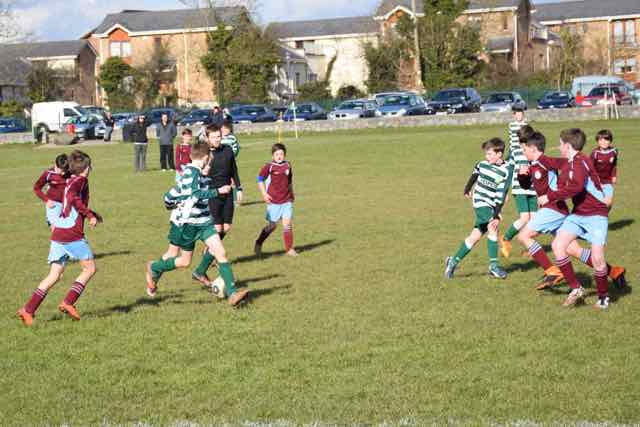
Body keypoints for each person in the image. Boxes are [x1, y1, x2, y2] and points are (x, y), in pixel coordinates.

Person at [516, 131, 626, 290]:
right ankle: (614, 271)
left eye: (524, 149)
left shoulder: (546, 161)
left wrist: (570, 180)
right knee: (573, 249)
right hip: (555, 210)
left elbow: (568, 163)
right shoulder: (533, 165)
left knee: (524, 235)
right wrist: (522, 176)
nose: (523, 152)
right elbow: (526, 185)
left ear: (533, 149)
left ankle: (552, 271)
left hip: (554, 208)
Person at [145, 142, 249, 307]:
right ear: (206, 158)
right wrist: (218, 191)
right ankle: (156, 268)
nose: (210, 166)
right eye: (210, 162)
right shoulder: (191, 172)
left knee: (221, 252)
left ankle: (232, 294)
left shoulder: (201, 173)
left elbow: (176, 196)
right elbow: (193, 193)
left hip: (205, 222)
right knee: (184, 261)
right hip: (189, 225)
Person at [17, 150, 102, 326]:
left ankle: (28, 310)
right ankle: (68, 302)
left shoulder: (70, 179)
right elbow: (73, 199)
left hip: (59, 232)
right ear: (86, 168)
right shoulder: (81, 180)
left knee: (55, 274)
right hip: (72, 233)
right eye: (90, 166)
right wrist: (89, 215)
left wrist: (91, 213)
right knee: (89, 269)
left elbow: (72, 201)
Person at [537, 129, 613, 309]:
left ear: (567, 146)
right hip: (578, 214)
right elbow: (555, 163)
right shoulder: (571, 161)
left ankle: (603, 297)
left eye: (560, 144)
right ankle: (576, 288)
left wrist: (550, 196)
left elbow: (576, 187)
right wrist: (536, 156)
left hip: (596, 214)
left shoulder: (581, 162)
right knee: (558, 245)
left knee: (597, 259)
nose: (559, 147)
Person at [444, 138, 511, 280]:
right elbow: (474, 175)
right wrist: (467, 188)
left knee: (475, 236)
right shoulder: (482, 164)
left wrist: (497, 212)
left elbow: (502, 193)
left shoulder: (506, 170)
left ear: (499, 154)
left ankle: (453, 261)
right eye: (486, 154)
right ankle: (494, 266)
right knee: (493, 227)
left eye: (490, 154)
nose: (487, 157)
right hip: (480, 201)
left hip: (492, 204)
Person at [191, 125, 243, 286]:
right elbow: (196, 174)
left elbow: (234, 170)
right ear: (207, 138)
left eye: (219, 136)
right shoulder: (205, 155)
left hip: (227, 194)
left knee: (226, 228)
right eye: (213, 137)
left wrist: (239, 188)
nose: (217, 139)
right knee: (218, 229)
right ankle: (204, 264)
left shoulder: (227, 150)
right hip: (212, 195)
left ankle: (206, 259)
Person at [500, 107, 537, 258]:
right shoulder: (515, 152)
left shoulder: (534, 151)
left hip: (533, 189)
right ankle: (506, 238)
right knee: (524, 218)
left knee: (535, 222)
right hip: (520, 188)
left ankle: (530, 249)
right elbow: (509, 172)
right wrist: (505, 191)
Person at [254, 143, 297, 257]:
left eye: (281, 154)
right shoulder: (269, 166)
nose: (279, 156)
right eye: (277, 154)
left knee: (287, 224)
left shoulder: (288, 165)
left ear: (285, 155)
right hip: (273, 201)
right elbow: (259, 179)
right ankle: (259, 242)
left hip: (286, 200)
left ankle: (289, 249)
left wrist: (292, 193)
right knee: (272, 226)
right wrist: (264, 194)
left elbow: (289, 181)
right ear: (273, 155)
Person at [34, 153, 69, 226]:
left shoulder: (71, 173)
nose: (63, 173)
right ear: (56, 165)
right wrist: (47, 200)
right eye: (61, 170)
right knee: (56, 228)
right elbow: (36, 188)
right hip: (54, 204)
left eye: (65, 170)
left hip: (68, 205)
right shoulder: (48, 174)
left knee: (68, 230)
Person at [591, 129, 618, 207]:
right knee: (597, 203)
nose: (603, 142)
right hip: (596, 182)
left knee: (608, 203)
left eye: (606, 139)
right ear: (597, 141)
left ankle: (603, 213)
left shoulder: (614, 151)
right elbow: (590, 169)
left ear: (610, 141)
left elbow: (614, 165)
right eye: (601, 140)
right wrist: (595, 180)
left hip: (607, 181)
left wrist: (614, 175)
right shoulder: (595, 153)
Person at [221, 119, 241, 204]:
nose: (225, 130)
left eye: (227, 129)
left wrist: (231, 156)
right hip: (221, 164)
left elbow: (236, 149)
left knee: (232, 180)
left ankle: (235, 200)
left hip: (230, 162)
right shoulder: (219, 138)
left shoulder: (232, 138)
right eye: (223, 128)